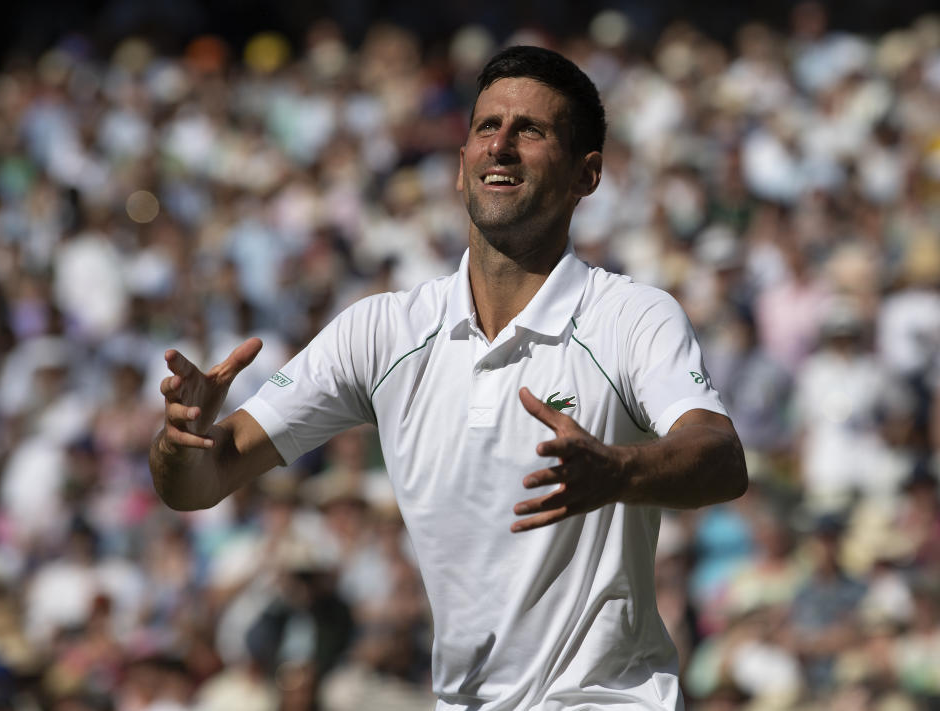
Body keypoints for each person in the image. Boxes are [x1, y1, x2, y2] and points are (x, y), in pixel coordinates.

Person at [150, 45, 748, 711]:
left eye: (532, 130)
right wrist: (182, 440)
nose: (502, 147)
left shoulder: (630, 316)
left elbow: (721, 457)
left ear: (588, 175)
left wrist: (620, 472)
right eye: (487, 127)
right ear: (461, 166)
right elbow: (200, 482)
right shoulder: (381, 330)